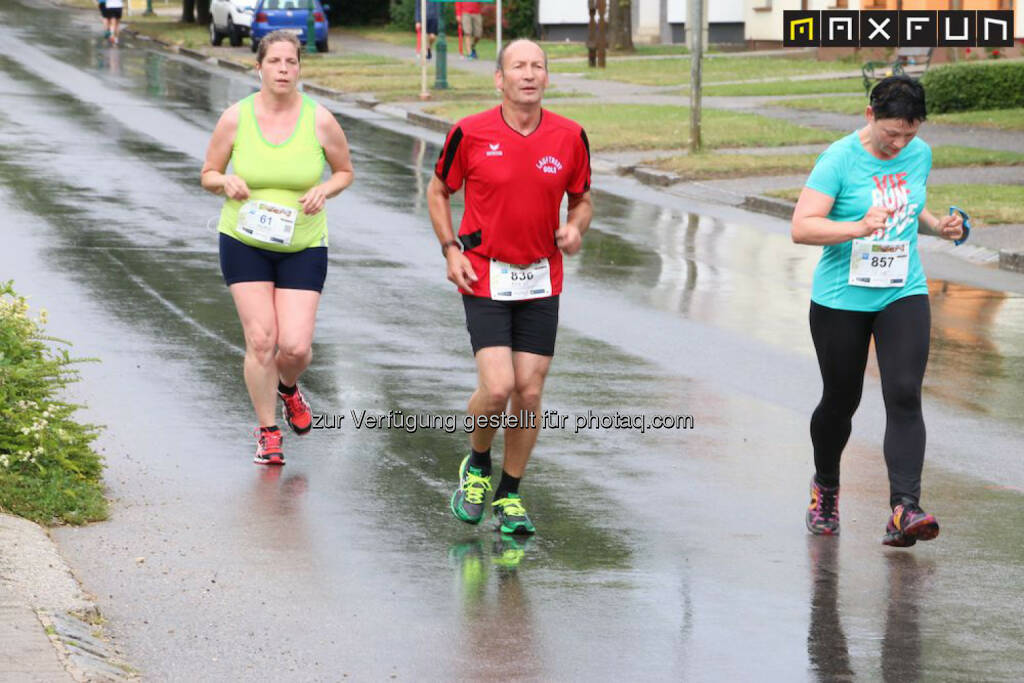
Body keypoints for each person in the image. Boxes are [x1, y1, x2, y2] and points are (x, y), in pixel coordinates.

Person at [427, 39, 593, 535]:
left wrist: (576, 226)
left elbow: (582, 198)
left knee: (529, 389)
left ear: (547, 77)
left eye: (537, 66)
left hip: (542, 275)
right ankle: (477, 463)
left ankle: (510, 494)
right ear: (499, 79)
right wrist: (450, 248)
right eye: (518, 66)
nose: (529, 74)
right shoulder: (470, 132)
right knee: (498, 387)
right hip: (484, 271)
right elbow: (439, 190)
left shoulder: (569, 136)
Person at [791, 75, 965, 547]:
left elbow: (911, 207)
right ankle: (825, 486)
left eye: (909, 133)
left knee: (905, 393)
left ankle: (904, 508)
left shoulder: (919, 153)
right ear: (869, 116)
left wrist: (937, 226)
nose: (900, 143)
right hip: (841, 299)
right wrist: (855, 226)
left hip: (901, 290)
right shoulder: (839, 160)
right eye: (891, 133)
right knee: (840, 401)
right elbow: (801, 228)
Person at [200, 30, 354, 465]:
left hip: (303, 242)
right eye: (275, 62)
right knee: (262, 339)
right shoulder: (236, 117)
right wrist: (224, 180)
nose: (284, 69)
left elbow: (344, 170)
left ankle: (288, 389)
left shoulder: (319, 118)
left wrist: (326, 189)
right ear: (259, 67)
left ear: (300, 68)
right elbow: (208, 171)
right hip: (244, 240)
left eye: (291, 62)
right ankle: (268, 431)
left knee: (296, 348)